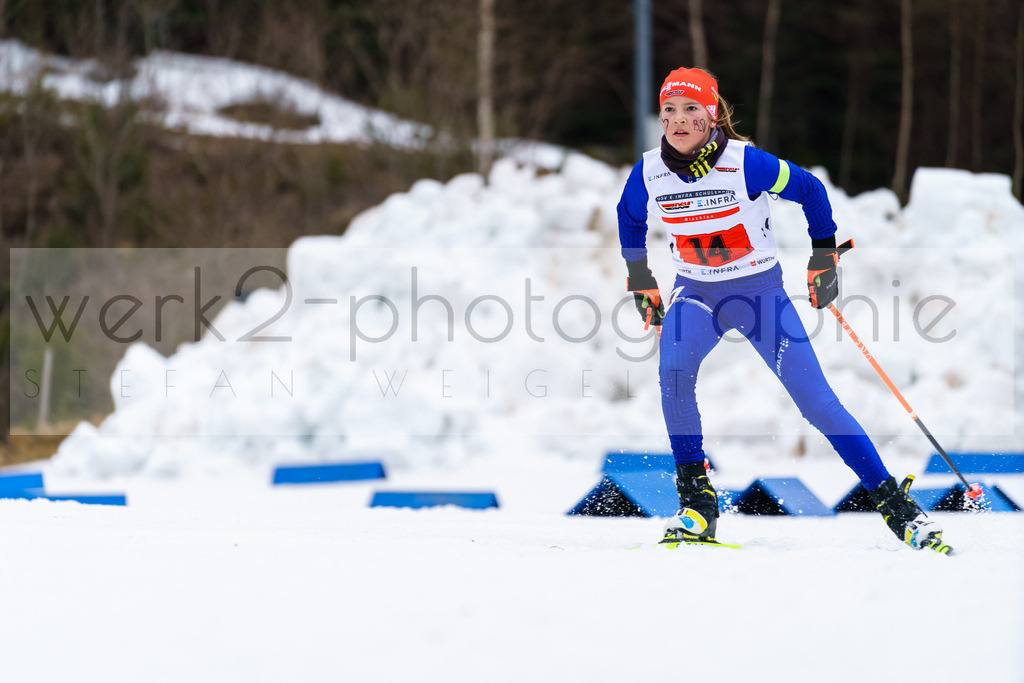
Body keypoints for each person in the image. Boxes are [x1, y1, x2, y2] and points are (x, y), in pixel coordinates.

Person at [617, 66, 950, 553]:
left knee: (817, 402)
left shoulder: (745, 163)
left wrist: (823, 255)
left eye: (691, 109)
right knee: (672, 370)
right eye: (669, 110)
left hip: (760, 298)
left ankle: (895, 507)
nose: (678, 120)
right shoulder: (649, 170)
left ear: (712, 116)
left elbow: (811, 191)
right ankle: (697, 505)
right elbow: (630, 217)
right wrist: (641, 278)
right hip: (697, 295)